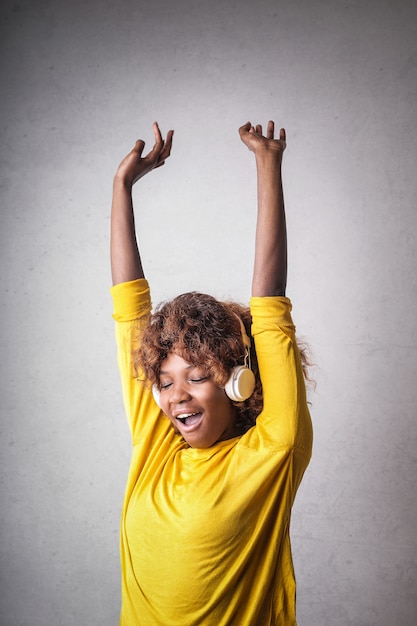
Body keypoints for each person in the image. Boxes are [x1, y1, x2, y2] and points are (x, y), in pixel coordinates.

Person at [110, 120, 313, 625]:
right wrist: (122, 187)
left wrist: (268, 164)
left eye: (197, 376)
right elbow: (129, 310)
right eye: (165, 380)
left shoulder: (271, 455)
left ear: (238, 381)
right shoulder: (155, 441)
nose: (176, 397)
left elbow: (271, 314)